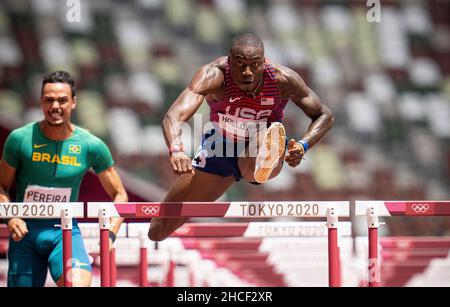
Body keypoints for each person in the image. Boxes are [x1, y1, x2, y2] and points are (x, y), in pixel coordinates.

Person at [148, 33, 334, 241]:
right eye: (239, 64)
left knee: (262, 137)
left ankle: (266, 157)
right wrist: (176, 149)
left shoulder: (283, 80)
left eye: (254, 65)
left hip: (259, 143)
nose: (247, 72)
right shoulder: (213, 76)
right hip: (220, 147)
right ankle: (260, 159)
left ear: (264, 63)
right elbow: (174, 115)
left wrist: (303, 145)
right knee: (158, 229)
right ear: (229, 63)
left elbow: (324, 115)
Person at [0, 71, 128, 287]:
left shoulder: (91, 145)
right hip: (24, 236)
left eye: (62, 100)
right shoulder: (19, 139)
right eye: (48, 100)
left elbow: (120, 194)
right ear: (41, 101)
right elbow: (1, 185)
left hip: (64, 232)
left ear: (74, 102)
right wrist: (10, 218)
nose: (55, 106)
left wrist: (110, 235)